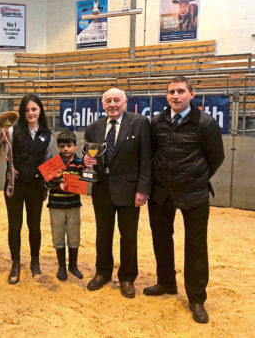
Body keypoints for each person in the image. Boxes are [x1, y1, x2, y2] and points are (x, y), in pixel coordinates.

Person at [144, 76, 225, 324]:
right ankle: (166, 282)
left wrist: (195, 178)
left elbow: (216, 158)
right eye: (171, 92)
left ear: (192, 93)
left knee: (196, 247)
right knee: (161, 239)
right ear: (166, 95)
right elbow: (151, 154)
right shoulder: (156, 122)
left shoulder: (206, 123)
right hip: (161, 193)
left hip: (194, 193)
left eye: (180, 91)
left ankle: (197, 298)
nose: (175, 96)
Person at [84, 87, 151, 298]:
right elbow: (88, 154)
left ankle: (127, 277)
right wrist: (86, 161)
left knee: (128, 236)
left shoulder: (139, 123)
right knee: (103, 235)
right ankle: (102, 272)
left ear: (125, 103)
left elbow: (146, 159)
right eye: (108, 101)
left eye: (116, 100)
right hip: (102, 191)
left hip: (130, 192)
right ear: (102, 105)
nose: (112, 104)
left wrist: (143, 189)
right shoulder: (94, 127)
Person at [5, 94, 52, 284]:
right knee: (15, 226)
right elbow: (5, 155)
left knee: (34, 226)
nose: (30, 113)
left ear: (40, 110)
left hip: (35, 186)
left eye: (34, 109)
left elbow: (48, 160)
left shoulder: (47, 135)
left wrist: (50, 182)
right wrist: (10, 167)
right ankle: (15, 263)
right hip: (15, 186)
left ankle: (35, 261)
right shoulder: (11, 131)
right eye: (26, 110)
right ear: (22, 113)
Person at [45, 130, 85, 281]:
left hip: (74, 205)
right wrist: (56, 179)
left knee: (74, 236)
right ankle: (61, 267)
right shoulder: (53, 163)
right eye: (62, 146)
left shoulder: (80, 163)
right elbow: (46, 184)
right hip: (56, 205)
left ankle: (73, 266)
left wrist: (78, 179)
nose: (65, 149)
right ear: (58, 147)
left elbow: (85, 180)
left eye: (69, 145)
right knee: (58, 236)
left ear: (75, 146)